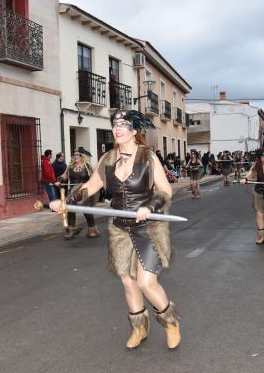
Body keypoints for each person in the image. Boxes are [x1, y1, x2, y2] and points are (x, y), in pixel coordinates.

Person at [50, 109, 181, 350]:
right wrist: (67, 201)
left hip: (149, 227)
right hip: (120, 228)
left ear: (133, 131)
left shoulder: (148, 157)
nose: (117, 128)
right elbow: (89, 187)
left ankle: (171, 323)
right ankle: (139, 328)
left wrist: (150, 206)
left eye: (123, 124)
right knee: (128, 281)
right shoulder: (108, 159)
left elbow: (165, 191)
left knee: (145, 282)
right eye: (115, 124)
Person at [56, 147, 99, 240]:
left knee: (86, 211)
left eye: (77, 155)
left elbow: (94, 178)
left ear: (82, 156)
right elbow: (64, 176)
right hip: (72, 192)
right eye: (74, 155)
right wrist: (59, 180)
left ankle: (92, 229)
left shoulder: (87, 166)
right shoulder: (70, 167)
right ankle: (72, 229)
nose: (75, 156)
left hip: (85, 192)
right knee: (70, 209)